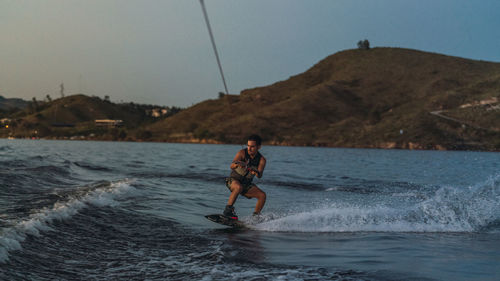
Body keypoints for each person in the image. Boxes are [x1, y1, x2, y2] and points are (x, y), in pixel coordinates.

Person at [224, 134, 267, 219]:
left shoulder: (262, 160)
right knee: (238, 187)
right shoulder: (242, 153)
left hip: (246, 184)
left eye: (252, 146)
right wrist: (239, 164)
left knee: (262, 195)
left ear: (259, 147)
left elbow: (260, 175)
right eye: (248, 146)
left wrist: (255, 171)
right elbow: (231, 166)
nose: (249, 148)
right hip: (233, 180)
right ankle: (227, 211)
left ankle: (255, 217)